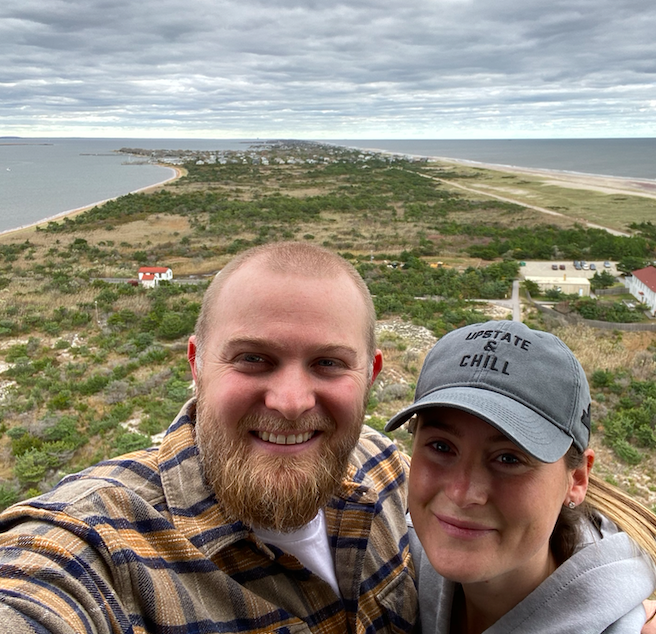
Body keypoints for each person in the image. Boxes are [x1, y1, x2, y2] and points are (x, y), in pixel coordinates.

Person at [0, 242, 417, 633]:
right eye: (253, 359)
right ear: (196, 366)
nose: (291, 403)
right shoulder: (96, 546)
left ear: (370, 375)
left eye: (328, 363)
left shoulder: (385, 465)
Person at [385, 319, 656, 634]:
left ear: (577, 479)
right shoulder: (385, 561)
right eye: (441, 447)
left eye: (508, 458)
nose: (462, 493)